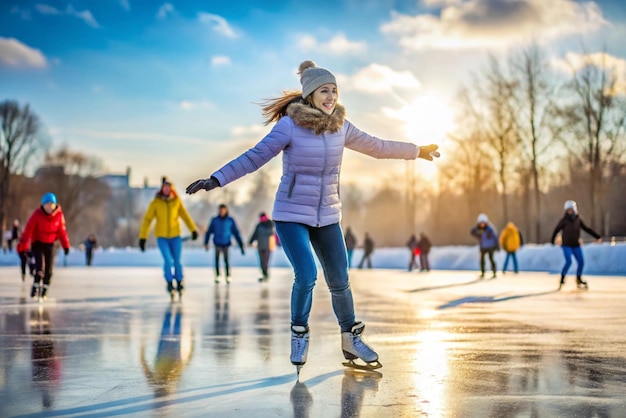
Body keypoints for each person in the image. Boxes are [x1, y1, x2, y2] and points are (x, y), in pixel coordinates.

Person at [185, 59, 440, 373]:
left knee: (340, 280)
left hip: (328, 215)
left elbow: (377, 146)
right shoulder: (290, 125)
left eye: (334, 90)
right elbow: (256, 156)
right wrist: (217, 178)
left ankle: (350, 338)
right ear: (309, 95)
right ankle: (299, 333)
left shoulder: (341, 126)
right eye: (324, 90)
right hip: (291, 214)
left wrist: (416, 150)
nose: (331, 96)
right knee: (306, 274)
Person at [139, 177, 198, 299]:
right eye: (164, 187)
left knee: (177, 261)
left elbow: (185, 216)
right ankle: (170, 282)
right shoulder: (155, 203)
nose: (166, 190)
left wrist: (193, 230)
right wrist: (142, 237)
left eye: (168, 188)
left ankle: (179, 281)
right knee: (168, 260)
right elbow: (147, 220)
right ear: (162, 189)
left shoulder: (176, 201)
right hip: (162, 237)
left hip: (175, 236)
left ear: (171, 189)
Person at [18, 192, 70, 301]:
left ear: (55, 205)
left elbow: (62, 232)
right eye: (47, 204)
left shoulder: (59, 216)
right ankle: (35, 287)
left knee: (49, 271)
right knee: (39, 268)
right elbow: (28, 230)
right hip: (37, 243)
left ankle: (44, 290)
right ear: (43, 205)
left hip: (50, 244)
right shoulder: (37, 214)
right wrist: (23, 246)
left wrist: (66, 245)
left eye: (52, 204)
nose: (50, 207)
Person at [551, 200, 601, 290]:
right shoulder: (564, 220)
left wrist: (596, 236)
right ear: (566, 211)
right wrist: (552, 240)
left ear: (574, 210)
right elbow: (556, 230)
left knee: (581, 262)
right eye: (568, 210)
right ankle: (562, 278)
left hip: (576, 245)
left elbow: (586, 228)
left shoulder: (578, 219)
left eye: (571, 210)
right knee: (568, 262)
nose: (570, 212)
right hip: (566, 245)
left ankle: (578, 279)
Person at [205, 204, 245, 284]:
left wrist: (241, 244)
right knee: (216, 260)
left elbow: (236, 232)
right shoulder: (215, 220)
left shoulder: (230, 220)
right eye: (220, 210)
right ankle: (217, 275)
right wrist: (206, 242)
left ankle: (228, 276)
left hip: (226, 243)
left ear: (226, 210)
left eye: (223, 210)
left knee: (226, 260)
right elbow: (209, 231)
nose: (221, 212)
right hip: (217, 243)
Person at [249, 212, 276, 282]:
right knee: (261, 261)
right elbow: (255, 234)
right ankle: (264, 274)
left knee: (265, 261)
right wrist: (250, 241)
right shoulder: (259, 225)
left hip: (268, 246)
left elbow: (274, 234)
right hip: (260, 246)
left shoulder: (271, 224)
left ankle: (266, 275)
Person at [470, 213, 499, 279]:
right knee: (482, 260)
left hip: (490, 247)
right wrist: (477, 230)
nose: (482, 224)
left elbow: (495, 237)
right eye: (481, 223)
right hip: (483, 247)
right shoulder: (479, 230)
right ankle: (483, 272)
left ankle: (494, 272)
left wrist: (497, 246)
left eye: (483, 223)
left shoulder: (490, 229)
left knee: (491, 259)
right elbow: (472, 232)